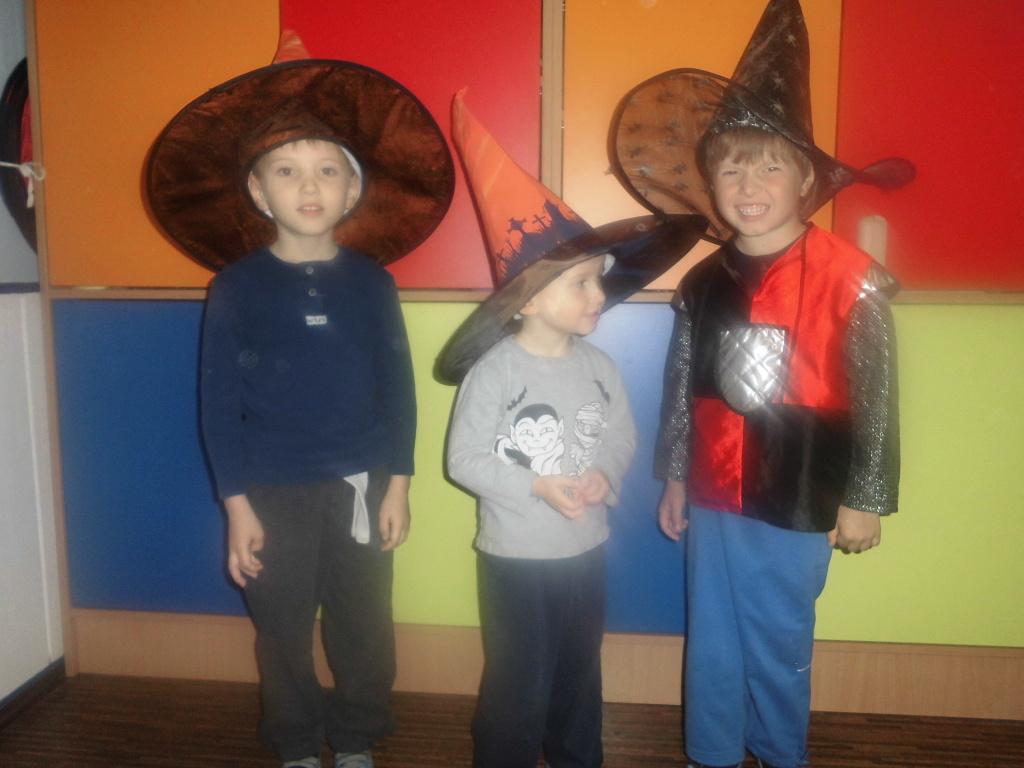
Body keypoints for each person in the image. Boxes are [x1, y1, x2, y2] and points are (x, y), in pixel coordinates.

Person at [607, 2, 914, 766]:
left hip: (801, 489)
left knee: (779, 636)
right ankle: (711, 753)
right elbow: (683, 385)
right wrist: (675, 475)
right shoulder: (703, 282)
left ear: (805, 178)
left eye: (769, 164)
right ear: (712, 181)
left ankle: (780, 753)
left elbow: (877, 396)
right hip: (715, 491)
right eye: (732, 166)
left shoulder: (851, 279)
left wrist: (865, 497)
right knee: (713, 634)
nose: (749, 182)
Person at [144, 33, 454, 768]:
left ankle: (356, 737)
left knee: (364, 623)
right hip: (271, 490)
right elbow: (217, 405)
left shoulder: (373, 284)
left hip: (361, 484)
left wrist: (399, 484)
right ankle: (294, 743)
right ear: (259, 192)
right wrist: (237, 506)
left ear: (352, 190)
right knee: (280, 626)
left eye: (326, 170)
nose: (308, 186)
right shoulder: (236, 287)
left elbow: (398, 388)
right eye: (286, 170)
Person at [438, 91, 705, 768]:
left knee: (580, 672)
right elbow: (464, 459)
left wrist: (602, 473)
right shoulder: (495, 371)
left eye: (599, 281)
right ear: (528, 299)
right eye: (581, 283)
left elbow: (619, 437)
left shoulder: (599, 367)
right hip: (517, 560)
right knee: (518, 682)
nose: (599, 296)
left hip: (586, 551)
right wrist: (536, 485)